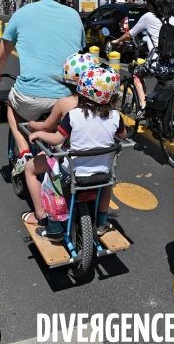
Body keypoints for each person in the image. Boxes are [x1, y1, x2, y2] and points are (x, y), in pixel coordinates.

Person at [0, 0, 86, 177]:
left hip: (30, 97)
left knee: (11, 107)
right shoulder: (74, 16)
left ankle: (23, 153)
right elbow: (80, 52)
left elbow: (0, 56)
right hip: (67, 98)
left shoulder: (21, 14)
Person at [25, 64, 127, 242]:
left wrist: (39, 133)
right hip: (102, 174)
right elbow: (123, 135)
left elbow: (57, 139)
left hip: (72, 174)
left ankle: (54, 229)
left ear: (83, 90)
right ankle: (102, 221)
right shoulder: (116, 116)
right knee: (108, 183)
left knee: (51, 181)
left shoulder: (74, 116)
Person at [111, 0, 174, 116]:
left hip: (158, 64)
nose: (147, 6)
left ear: (152, 4)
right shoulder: (172, 16)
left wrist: (117, 41)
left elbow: (130, 34)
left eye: (147, 3)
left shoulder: (148, 17)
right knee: (161, 85)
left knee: (136, 73)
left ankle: (143, 105)